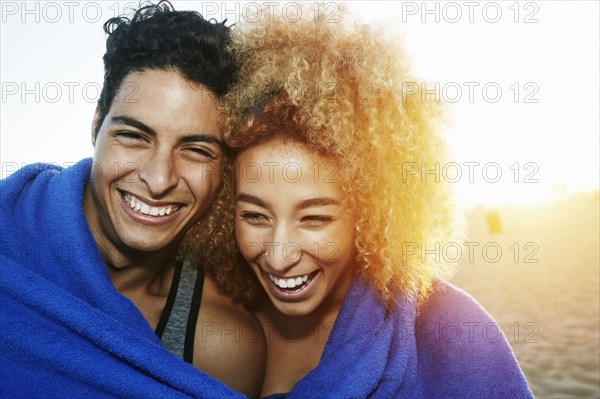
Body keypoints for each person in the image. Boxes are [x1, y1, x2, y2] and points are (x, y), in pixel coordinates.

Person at [189, 7, 534, 398]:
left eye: (314, 219)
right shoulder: (200, 317)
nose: (278, 256)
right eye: (254, 215)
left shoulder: (459, 337)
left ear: (370, 212)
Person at [0, 2, 264, 398]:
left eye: (195, 150)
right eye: (135, 136)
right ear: (96, 126)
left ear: (224, 167)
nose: (158, 180)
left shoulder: (223, 345)